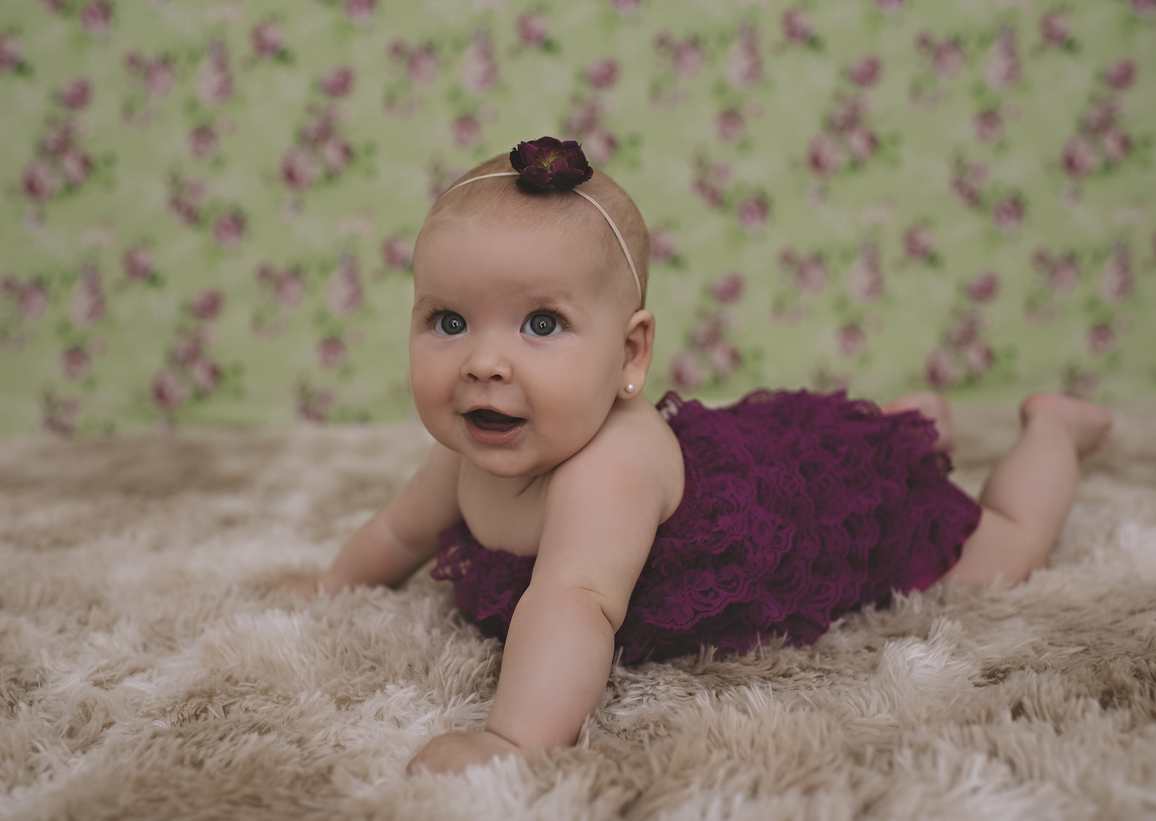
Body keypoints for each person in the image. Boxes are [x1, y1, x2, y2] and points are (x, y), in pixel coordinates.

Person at [270, 137, 1112, 775]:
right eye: (449, 321)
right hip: (738, 449)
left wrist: (512, 737)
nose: (484, 363)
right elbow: (397, 530)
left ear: (631, 355)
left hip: (796, 521)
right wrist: (328, 585)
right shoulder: (470, 448)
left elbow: (573, 602)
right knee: (872, 445)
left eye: (542, 324)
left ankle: (1050, 431)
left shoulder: (609, 469)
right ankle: (906, 426)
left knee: (995, 551)